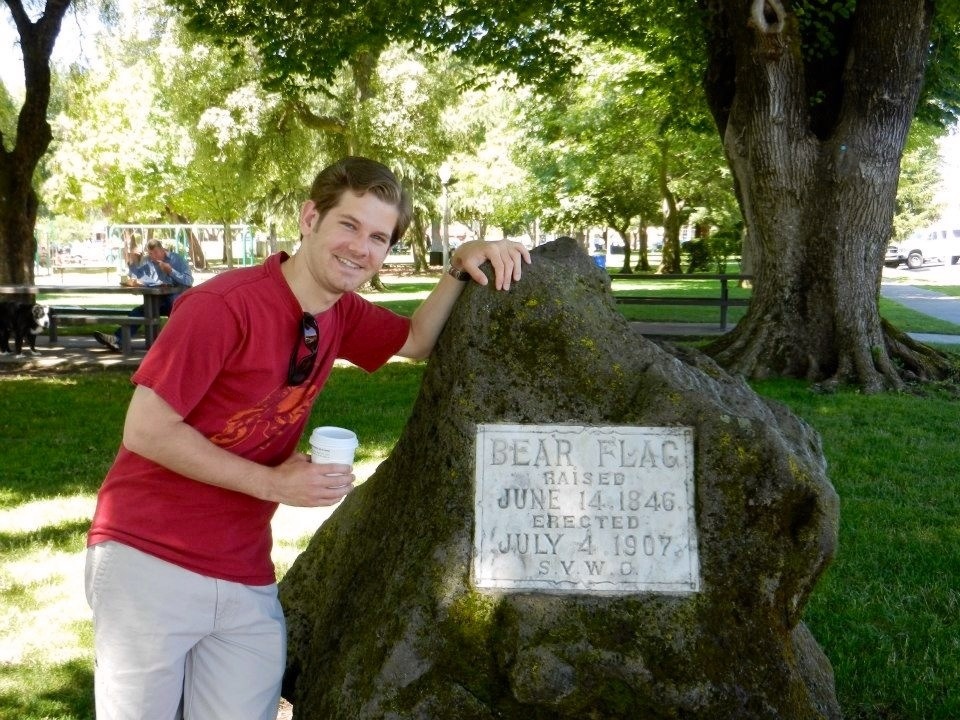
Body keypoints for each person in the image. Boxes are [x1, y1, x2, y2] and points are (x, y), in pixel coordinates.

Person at [85, 156, 531, 719]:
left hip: (242, 570)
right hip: (146, 558)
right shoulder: (224, 306)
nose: (361, 249)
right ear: (309, 218)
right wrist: (274, 482)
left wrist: (460, 266)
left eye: (379, 237)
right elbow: (146, 430)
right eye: (348, 225)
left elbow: (416, 340)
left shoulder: (340, 313)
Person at [94, 239, 193, 352]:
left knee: (172, 305)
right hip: (159, 300)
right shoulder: (149, 261)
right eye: (150, 254)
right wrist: (132, 263)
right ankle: (117, 340)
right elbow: (140, 275)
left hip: (178, 301)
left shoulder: (177, 259)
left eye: (155, 252)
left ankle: (174, 346)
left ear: (163, 250)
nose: (153, 257)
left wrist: (171, 271)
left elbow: (189, 281)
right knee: (139, 311)